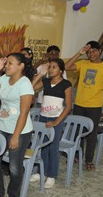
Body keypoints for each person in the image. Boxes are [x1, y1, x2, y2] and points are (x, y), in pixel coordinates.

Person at [0, 53, 34, 197]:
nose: (6, 66)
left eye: (10, 63)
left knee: (14, 166)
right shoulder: (4, 79)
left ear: (21, 66)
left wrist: (15, 136)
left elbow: (24, 113)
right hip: (1, 127)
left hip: (20, 130)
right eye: (6, 63)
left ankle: (13, 196)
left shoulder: (25, 84)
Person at [65, 41, 103, 171]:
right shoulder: (83, 64)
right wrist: (79, 53)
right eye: (88, 52)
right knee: (78, 132)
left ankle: (89, 160)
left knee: (92, 134)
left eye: (93, 51)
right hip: (79, 104)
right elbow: (66, 66)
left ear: (99, 51)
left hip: (95, 106)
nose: (91, 54)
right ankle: (77, 155)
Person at [30, 59, 72, 188]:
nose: (51, 69)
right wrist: (40, 75)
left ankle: (51, 175)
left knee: (53, 148)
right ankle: (40, 172)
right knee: (43, 146)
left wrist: (56, 122)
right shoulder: (46, 81)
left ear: (61, 70)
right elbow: (30, 88)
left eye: (54, 67)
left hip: (56, 119)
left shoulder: (66, 84)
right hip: (43, 117)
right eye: (50, 67)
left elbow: (68, 106)